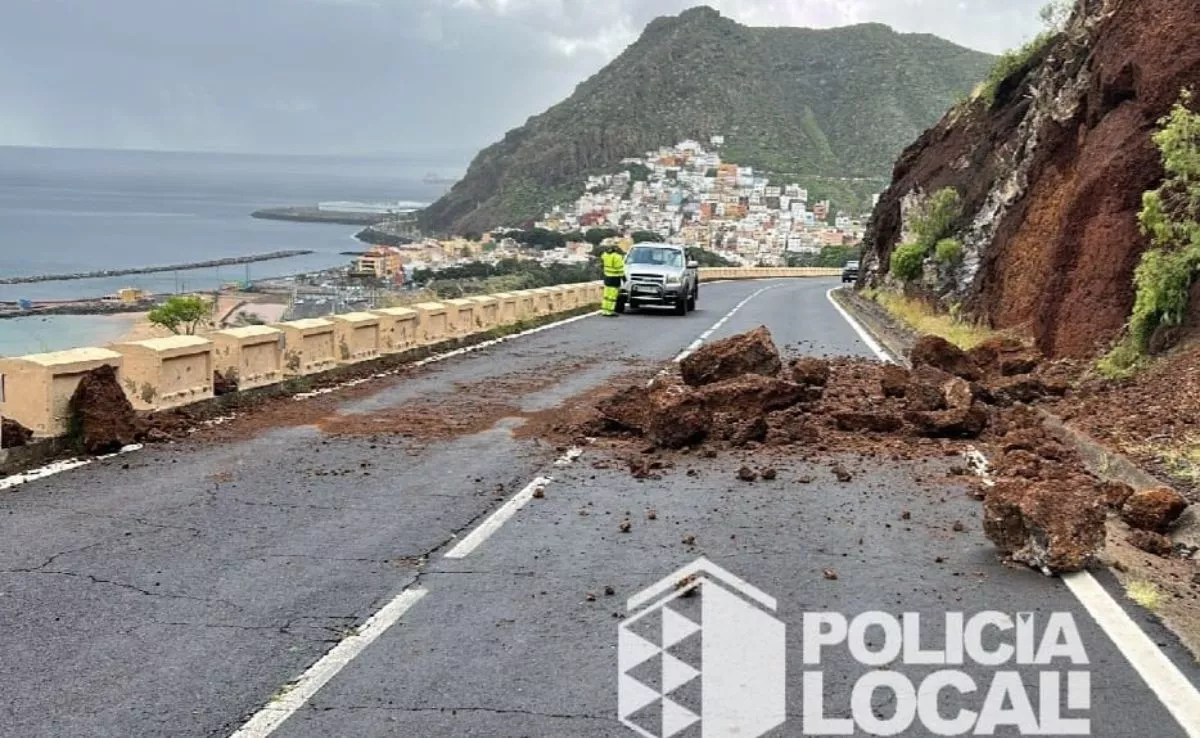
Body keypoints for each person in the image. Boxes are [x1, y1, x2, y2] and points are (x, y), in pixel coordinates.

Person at [600, 244, 626, 317]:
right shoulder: (617, 257)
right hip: (614, 278)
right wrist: (623, 278)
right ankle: (610, 311)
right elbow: (620, 269)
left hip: (607, 277)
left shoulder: (605, 255)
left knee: (606, 295)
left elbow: (602, 258)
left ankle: (605, 310)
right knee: (612, 296)